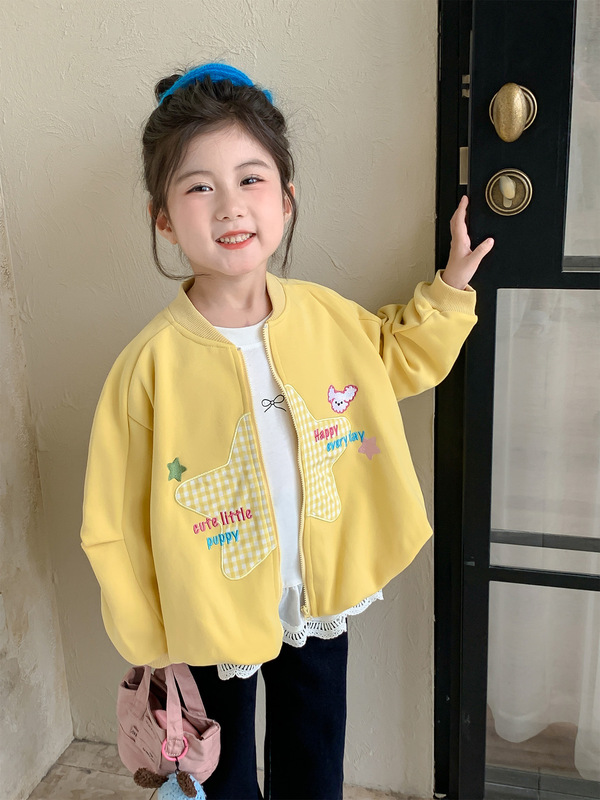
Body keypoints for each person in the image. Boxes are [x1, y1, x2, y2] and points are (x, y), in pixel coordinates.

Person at [79, 63, 494, 800]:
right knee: (222, 775)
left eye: (251, 178)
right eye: (198, 187)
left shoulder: (325, 316)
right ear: (163, 218)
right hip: (207, 617)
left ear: (286, 197)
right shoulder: (149, 366)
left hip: (318, 600)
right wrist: (152, 641)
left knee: (314, 753)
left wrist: (450, 290)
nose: (230, 206)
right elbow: (112, 521)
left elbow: (393, 359)